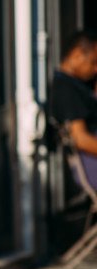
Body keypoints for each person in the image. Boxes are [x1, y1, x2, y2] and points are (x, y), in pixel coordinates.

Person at [50, 29, 97, 188]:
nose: (95, 69)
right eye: (93, 62)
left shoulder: (75, 85)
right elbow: (81, 139)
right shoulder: (66, 90)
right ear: (77, 55)